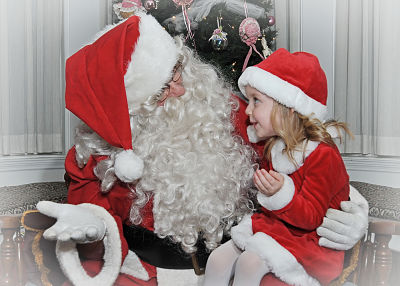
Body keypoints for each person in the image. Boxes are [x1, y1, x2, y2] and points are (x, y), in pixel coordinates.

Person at [36, 13, 368, 286]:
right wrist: (91, 226)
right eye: (160, 91)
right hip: (152, 274)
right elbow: (92, 223)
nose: (181, 89)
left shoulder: (232, 112)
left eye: (177, 69)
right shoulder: (98, 155)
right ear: (132, 109)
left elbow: (305, 155)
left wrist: (348, 208)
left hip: (241, 265)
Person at [203, 49, 357, 286]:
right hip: (278, 228)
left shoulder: (322, 154)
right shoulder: (274, 147)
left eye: (256, 101)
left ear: (288, 109)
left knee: (249, 263)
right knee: (217, 260)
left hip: (310, 241)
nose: (247, 110)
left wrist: (280, 195)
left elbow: (312, 218)